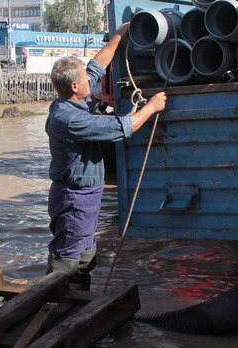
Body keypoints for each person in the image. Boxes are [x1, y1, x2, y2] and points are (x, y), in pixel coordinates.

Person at [45, 23, 166, 290]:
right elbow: (122, 128)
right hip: (74, 198)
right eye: (86, 81)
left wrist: (119, 36)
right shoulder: (70, 119)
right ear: (75, 86)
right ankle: (53, 303)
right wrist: (152, 108)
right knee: (67, 255)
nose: (92, 80)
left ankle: (78, 299)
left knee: (84, 253)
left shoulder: (72, 101)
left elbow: (96, 67)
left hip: (84, 196)